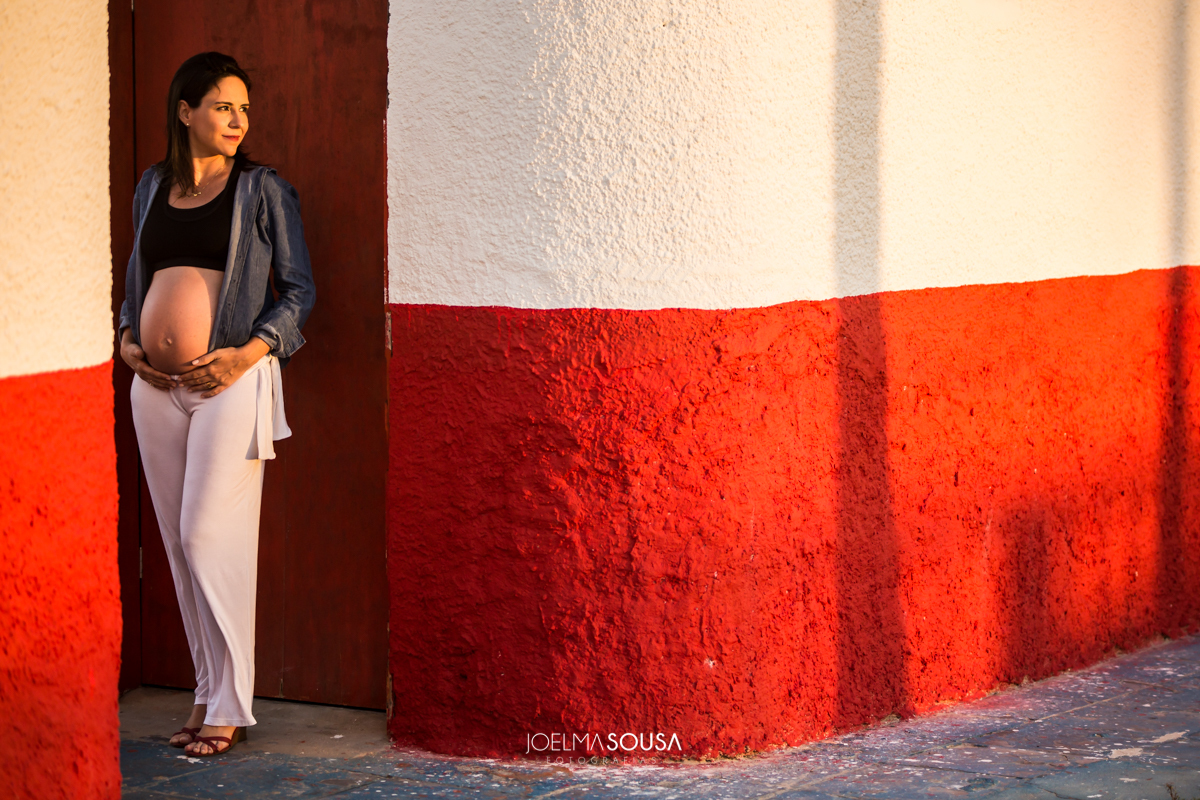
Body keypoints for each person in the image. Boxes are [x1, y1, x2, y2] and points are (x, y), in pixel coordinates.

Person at [117, 52, 315, 757]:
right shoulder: (152, 186)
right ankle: (207, 694)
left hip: (231, 382)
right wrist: (127, 338)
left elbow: (299, 292)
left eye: (243, 109)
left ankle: (232, 704)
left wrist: (245, 353)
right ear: (186, 111)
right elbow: (137, 275)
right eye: (223, 106)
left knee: (208, 538)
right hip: (154, 388)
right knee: (176, 546)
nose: (237, 120)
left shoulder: (262, 190)